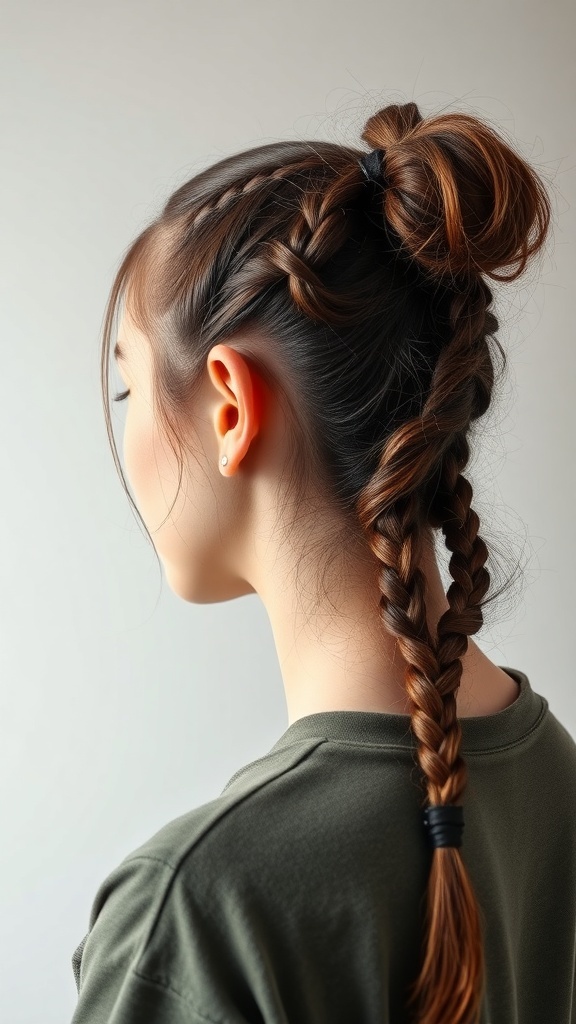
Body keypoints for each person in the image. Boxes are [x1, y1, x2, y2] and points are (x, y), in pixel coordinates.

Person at [70, 100, 576, 1024]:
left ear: (229, 406)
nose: (126, 427)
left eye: (128, 384)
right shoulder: (557, 779)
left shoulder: (195, 914)